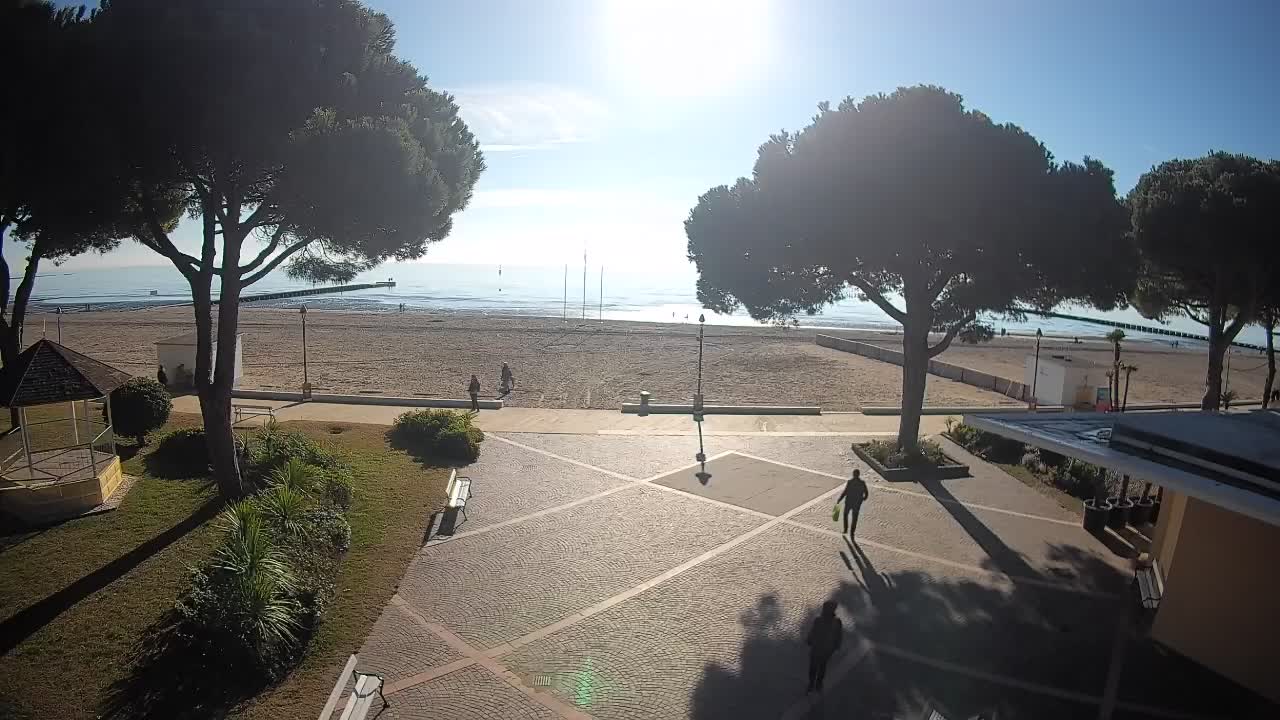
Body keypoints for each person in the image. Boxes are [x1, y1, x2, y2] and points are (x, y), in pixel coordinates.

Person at [805, 600, 843, 692]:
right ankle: (818, 684)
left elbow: (813, 632)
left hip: (819, 648)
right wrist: (836, 646)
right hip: (826, 649)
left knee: (815, 667)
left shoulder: (819, 620)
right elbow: (839, 636)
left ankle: (812, 684)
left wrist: (809, 640)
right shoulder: (837, 622)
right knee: (822, 666)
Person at [837, 469, 869, 537]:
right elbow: (866, 493)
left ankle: (846, 529)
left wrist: (840, 499)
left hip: (849, 502)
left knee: (846, 515)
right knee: (854, 518)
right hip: (856, 503)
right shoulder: (861, 483)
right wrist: (863, 499)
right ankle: (851, 531)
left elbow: (845, 491)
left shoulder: (850, 482)